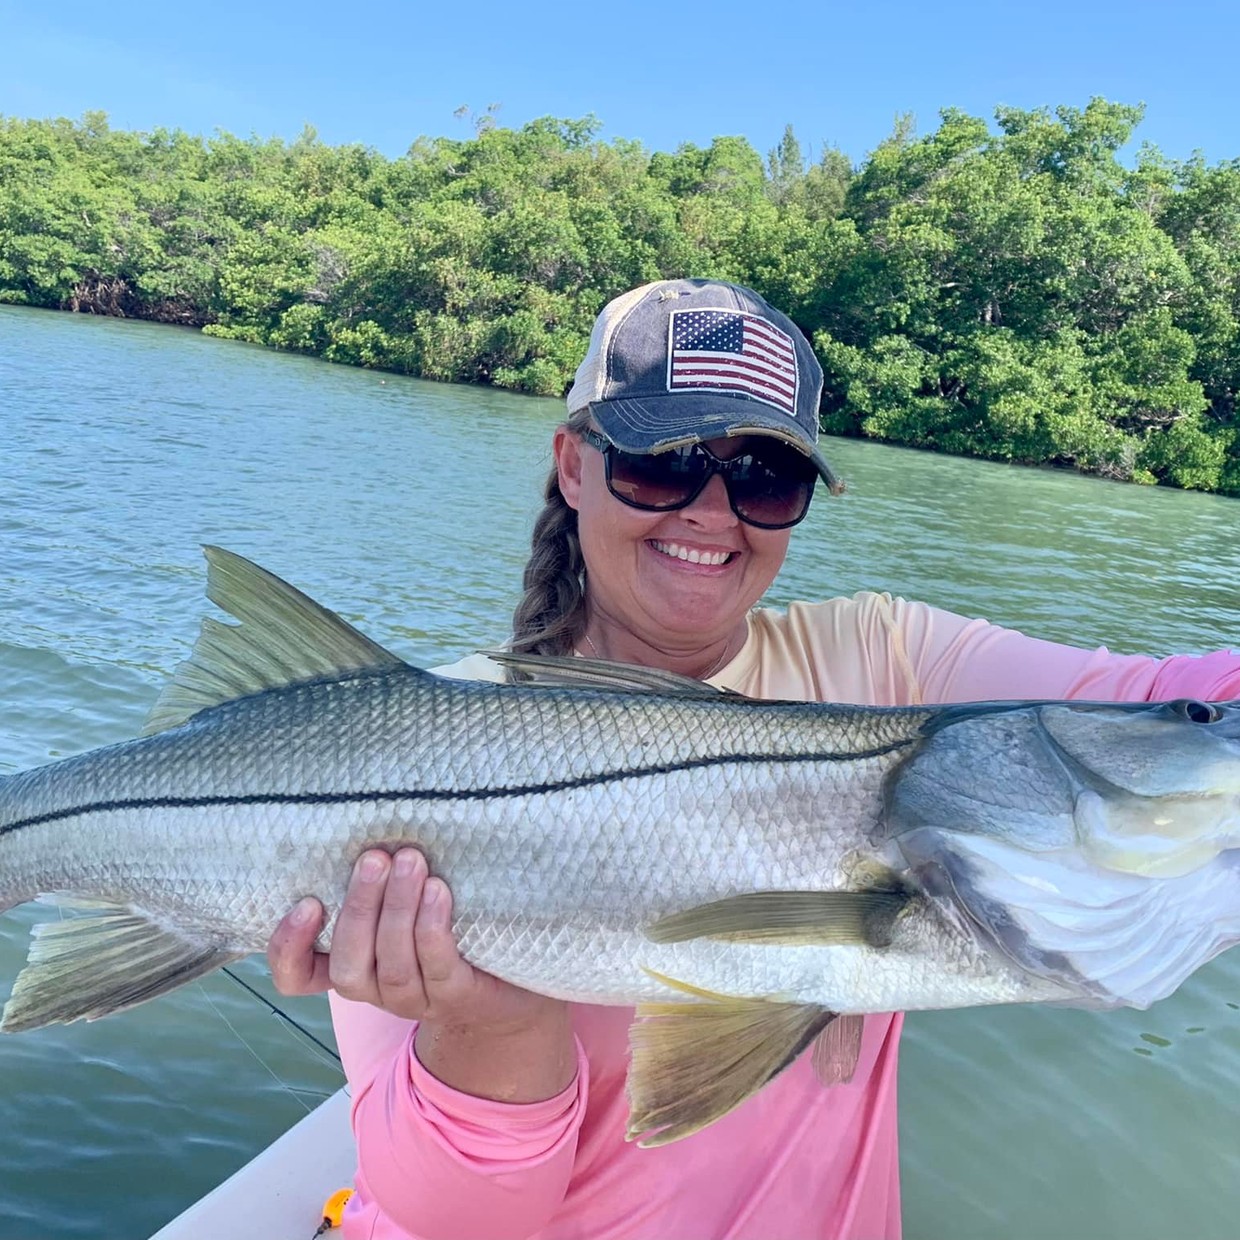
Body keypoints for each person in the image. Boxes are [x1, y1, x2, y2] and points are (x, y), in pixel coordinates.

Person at [267, 278, 1240, 1240]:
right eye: (663, 462)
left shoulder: (888, 659)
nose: (710, 510)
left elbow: (1195, 702)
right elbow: (460, 1221)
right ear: (572, 466)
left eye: (763, 476)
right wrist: (491, 1026)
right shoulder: (401, 746)